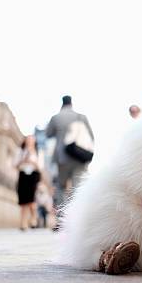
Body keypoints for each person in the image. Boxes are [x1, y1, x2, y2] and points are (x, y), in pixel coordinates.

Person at [46, 95, 94, 229]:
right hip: (79, 157)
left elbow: (48, 134)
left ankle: (61, 220)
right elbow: (90, 136)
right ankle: (76, 220)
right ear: (71, 103)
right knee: (77, 188)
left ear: (62, 104)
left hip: (63, 158)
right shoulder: (81, 117)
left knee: (60, 187)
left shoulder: (56, 117)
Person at [15, 135, 40, 231]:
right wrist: (23, 160)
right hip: (23, 175)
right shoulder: (20, 152)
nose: (29, 142)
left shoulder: (37, 152)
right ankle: (23, 223)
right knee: (23, 201)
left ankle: (34, 217)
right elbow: (15, 165)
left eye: (31, 140)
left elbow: (40, 167)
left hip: (33, 176)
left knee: (31, 200)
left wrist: (33, 162)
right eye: (28, 140)